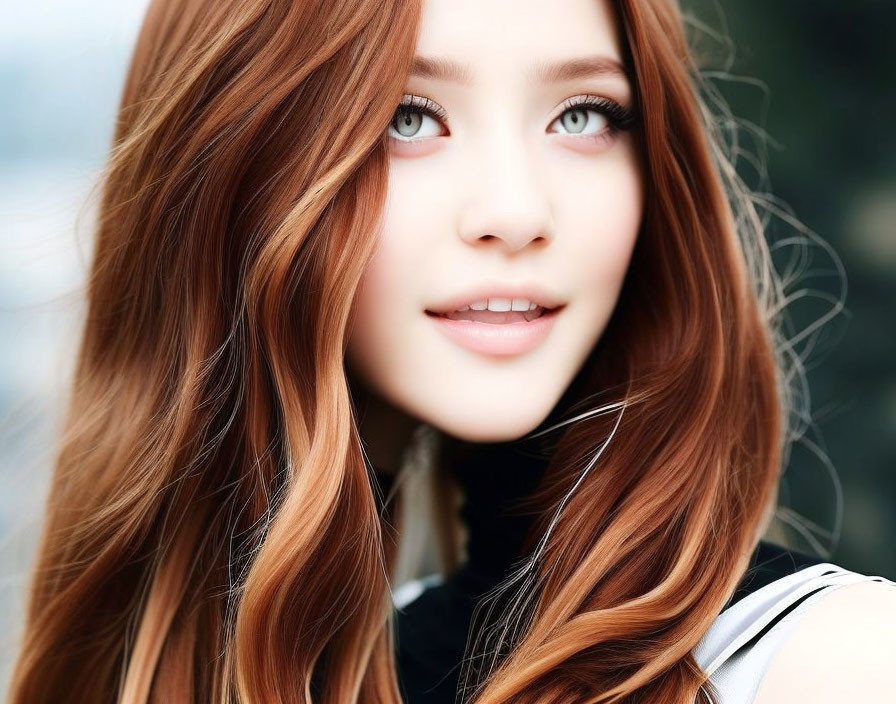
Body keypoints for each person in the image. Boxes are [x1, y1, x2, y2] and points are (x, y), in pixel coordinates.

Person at [6, 0, 894, 703]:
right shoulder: (326, 659)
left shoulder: (833, 665)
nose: (515, 211)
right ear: (230, 174)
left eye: (583, 114)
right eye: (406, 116)